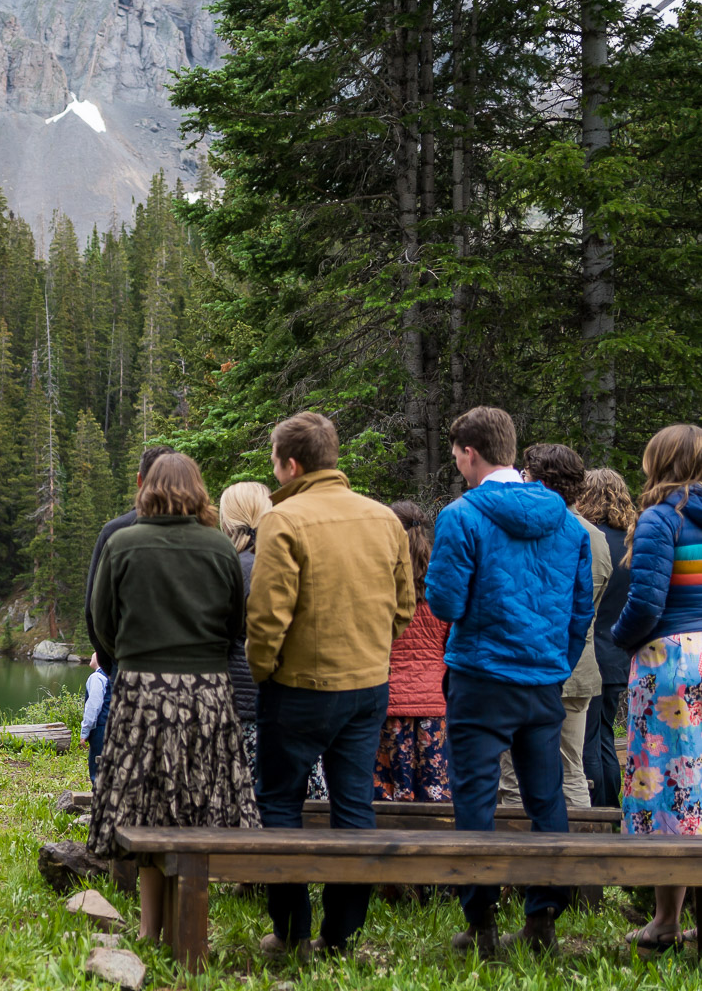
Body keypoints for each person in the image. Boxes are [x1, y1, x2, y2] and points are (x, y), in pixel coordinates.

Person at [247, 411, 414, 957]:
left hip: (297, 687)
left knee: (280, 802)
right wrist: (371, 652)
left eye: (276, 462)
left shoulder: (283, 519)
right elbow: (404, 607)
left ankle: (292, 932)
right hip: (367, 687)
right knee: (354, 807)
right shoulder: (384, 518)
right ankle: (341, 935)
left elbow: (268, 617)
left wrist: (263, 671)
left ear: (292, 465)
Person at [427, 406, 592, 954]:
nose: (457, 464)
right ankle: (543, 918)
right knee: (547, 799)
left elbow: (445, 602)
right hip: (542, 680)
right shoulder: (567, 523)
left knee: (475, 800)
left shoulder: (461, 516)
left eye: (457, 455)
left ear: (470, 453)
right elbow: (580, 609)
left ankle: (481, 923)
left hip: (481, 677)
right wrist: (556, 662)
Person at [86, 452, 257, 940]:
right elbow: (235, 625)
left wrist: (132, 659)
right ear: (198, 490)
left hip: (141, 693)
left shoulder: (122, 543)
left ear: (147, 488)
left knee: (146, 807)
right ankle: (188, 926)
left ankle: (150, 929)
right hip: (207, 695)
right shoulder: (219, 546)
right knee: (193, 805)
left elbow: (102, 622)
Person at [610, 424, 702, 954]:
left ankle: (666, 921)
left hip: (672, 661)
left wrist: (621, 640)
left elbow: (646, 602)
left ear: (660, 462)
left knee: (670, 784)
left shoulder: (661, 518)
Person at [497, 444, 610, 810]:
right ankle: (580, 841)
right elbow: (589, 605)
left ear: (541, 481)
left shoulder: (524, 529)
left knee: (514, 775)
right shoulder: (595, 537)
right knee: (571, 770)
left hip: (527, 666)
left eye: (526, 475)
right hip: (577, 668)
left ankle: (514, 843)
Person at [219, 480, 330, 799]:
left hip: (244, 710)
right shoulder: (294, 563)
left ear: (229, 519)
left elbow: (218, 639)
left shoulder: (232, 570)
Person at [82, 445, 175, 792]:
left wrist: (111, 660)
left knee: (129, 755)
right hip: (190, 670)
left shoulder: (115, 532)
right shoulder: (206, 535)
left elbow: (95, 609)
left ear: (139, 480)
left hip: (130, 662)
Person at [374, 501, 452, 802]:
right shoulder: (441, 584)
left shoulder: (380, 583)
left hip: (389, 697)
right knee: (434, 791)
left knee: (389, 791)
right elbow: (451, 642)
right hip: (433, 699)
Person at [575, 468, 636, 808]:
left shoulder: (588, 539)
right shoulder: (633, 543)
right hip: (618, 653)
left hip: (590, 652)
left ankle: (598, 813)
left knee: (589, 743)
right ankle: (611, 810)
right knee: (606, 738)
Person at [79, 653, 109, 786]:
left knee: (97, 765)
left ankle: (98, 793)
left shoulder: (97, 677)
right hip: (114, 725)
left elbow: (93, 706)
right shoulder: (112, 676)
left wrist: (85, 731)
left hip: (101, 727)